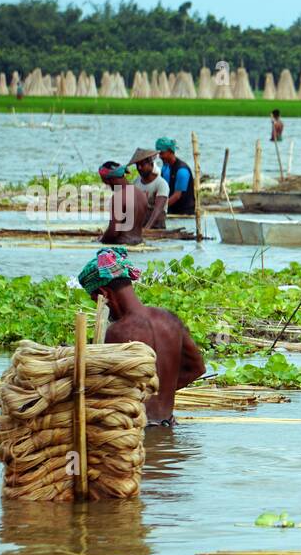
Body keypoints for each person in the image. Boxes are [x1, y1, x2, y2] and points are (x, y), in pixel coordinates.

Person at [77, 247, 206, 427]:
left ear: (104, 294)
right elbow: (197, 369)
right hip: (167, 427)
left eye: (94, 300)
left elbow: (102, 389)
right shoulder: (169, 319)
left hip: (134, 435)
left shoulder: (117, 332)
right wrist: (162, 394)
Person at [97, 161, 148, 245]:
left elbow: (113, 233)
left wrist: (101, 239)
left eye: (105, 182)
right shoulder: (141, 194)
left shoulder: (118, 198)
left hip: (122, 244)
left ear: (109, 179)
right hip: (139, 242)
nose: (107, 185)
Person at [128, 147, 168, 230]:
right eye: (137, 165)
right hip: (141, 225)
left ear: (151, 165)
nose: (139, 168)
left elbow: (158, 209)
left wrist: (147, 228)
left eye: (142, 165)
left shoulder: (161, 184)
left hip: (157, 227)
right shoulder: (136, 182)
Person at [155, 137, 196, 215]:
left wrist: (159, 209)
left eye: (162, 153)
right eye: (159, 154)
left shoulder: (182, 171)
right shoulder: (165, 168)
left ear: (170, 152)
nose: (160, 156)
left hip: (185, 212)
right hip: (171, 209)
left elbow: (177, 196)